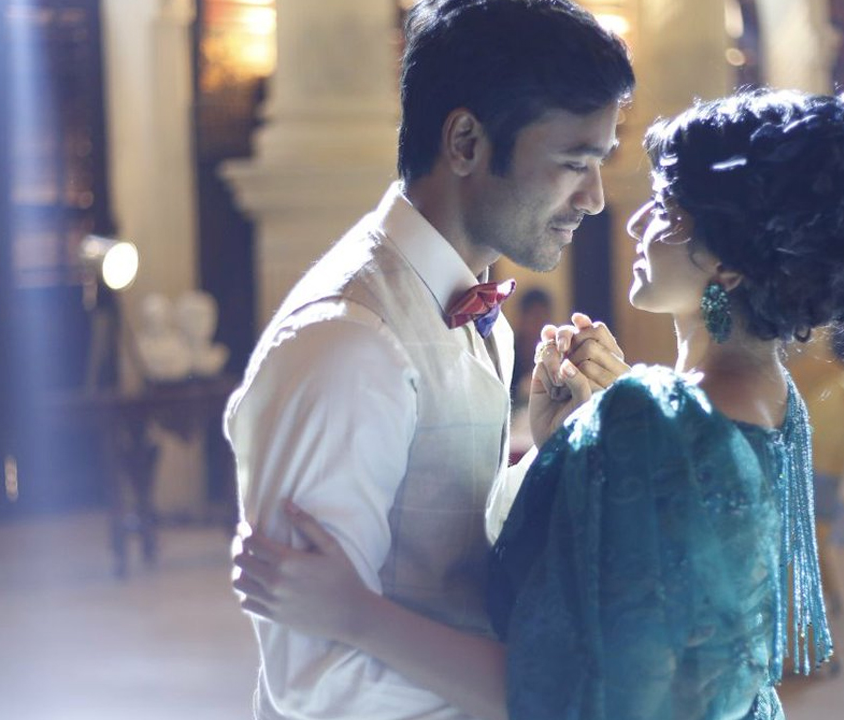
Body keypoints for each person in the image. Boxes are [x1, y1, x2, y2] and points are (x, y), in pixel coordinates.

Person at [234, 88, 844, 720]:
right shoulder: (778, 398)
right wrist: (564, 444)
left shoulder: (652, 416)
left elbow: (562, 695)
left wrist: (353, 614)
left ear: (730, 263)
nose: (635, 221)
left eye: (668, 210)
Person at [223, 1, 634, 719]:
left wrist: (548, 453)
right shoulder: (348, 345)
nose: (595, 200)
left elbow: (454, 545)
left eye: (600, 164)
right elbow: (316, 678)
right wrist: (542, 687)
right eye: (574, 163)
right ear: (466, 142)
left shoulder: (472, 307)